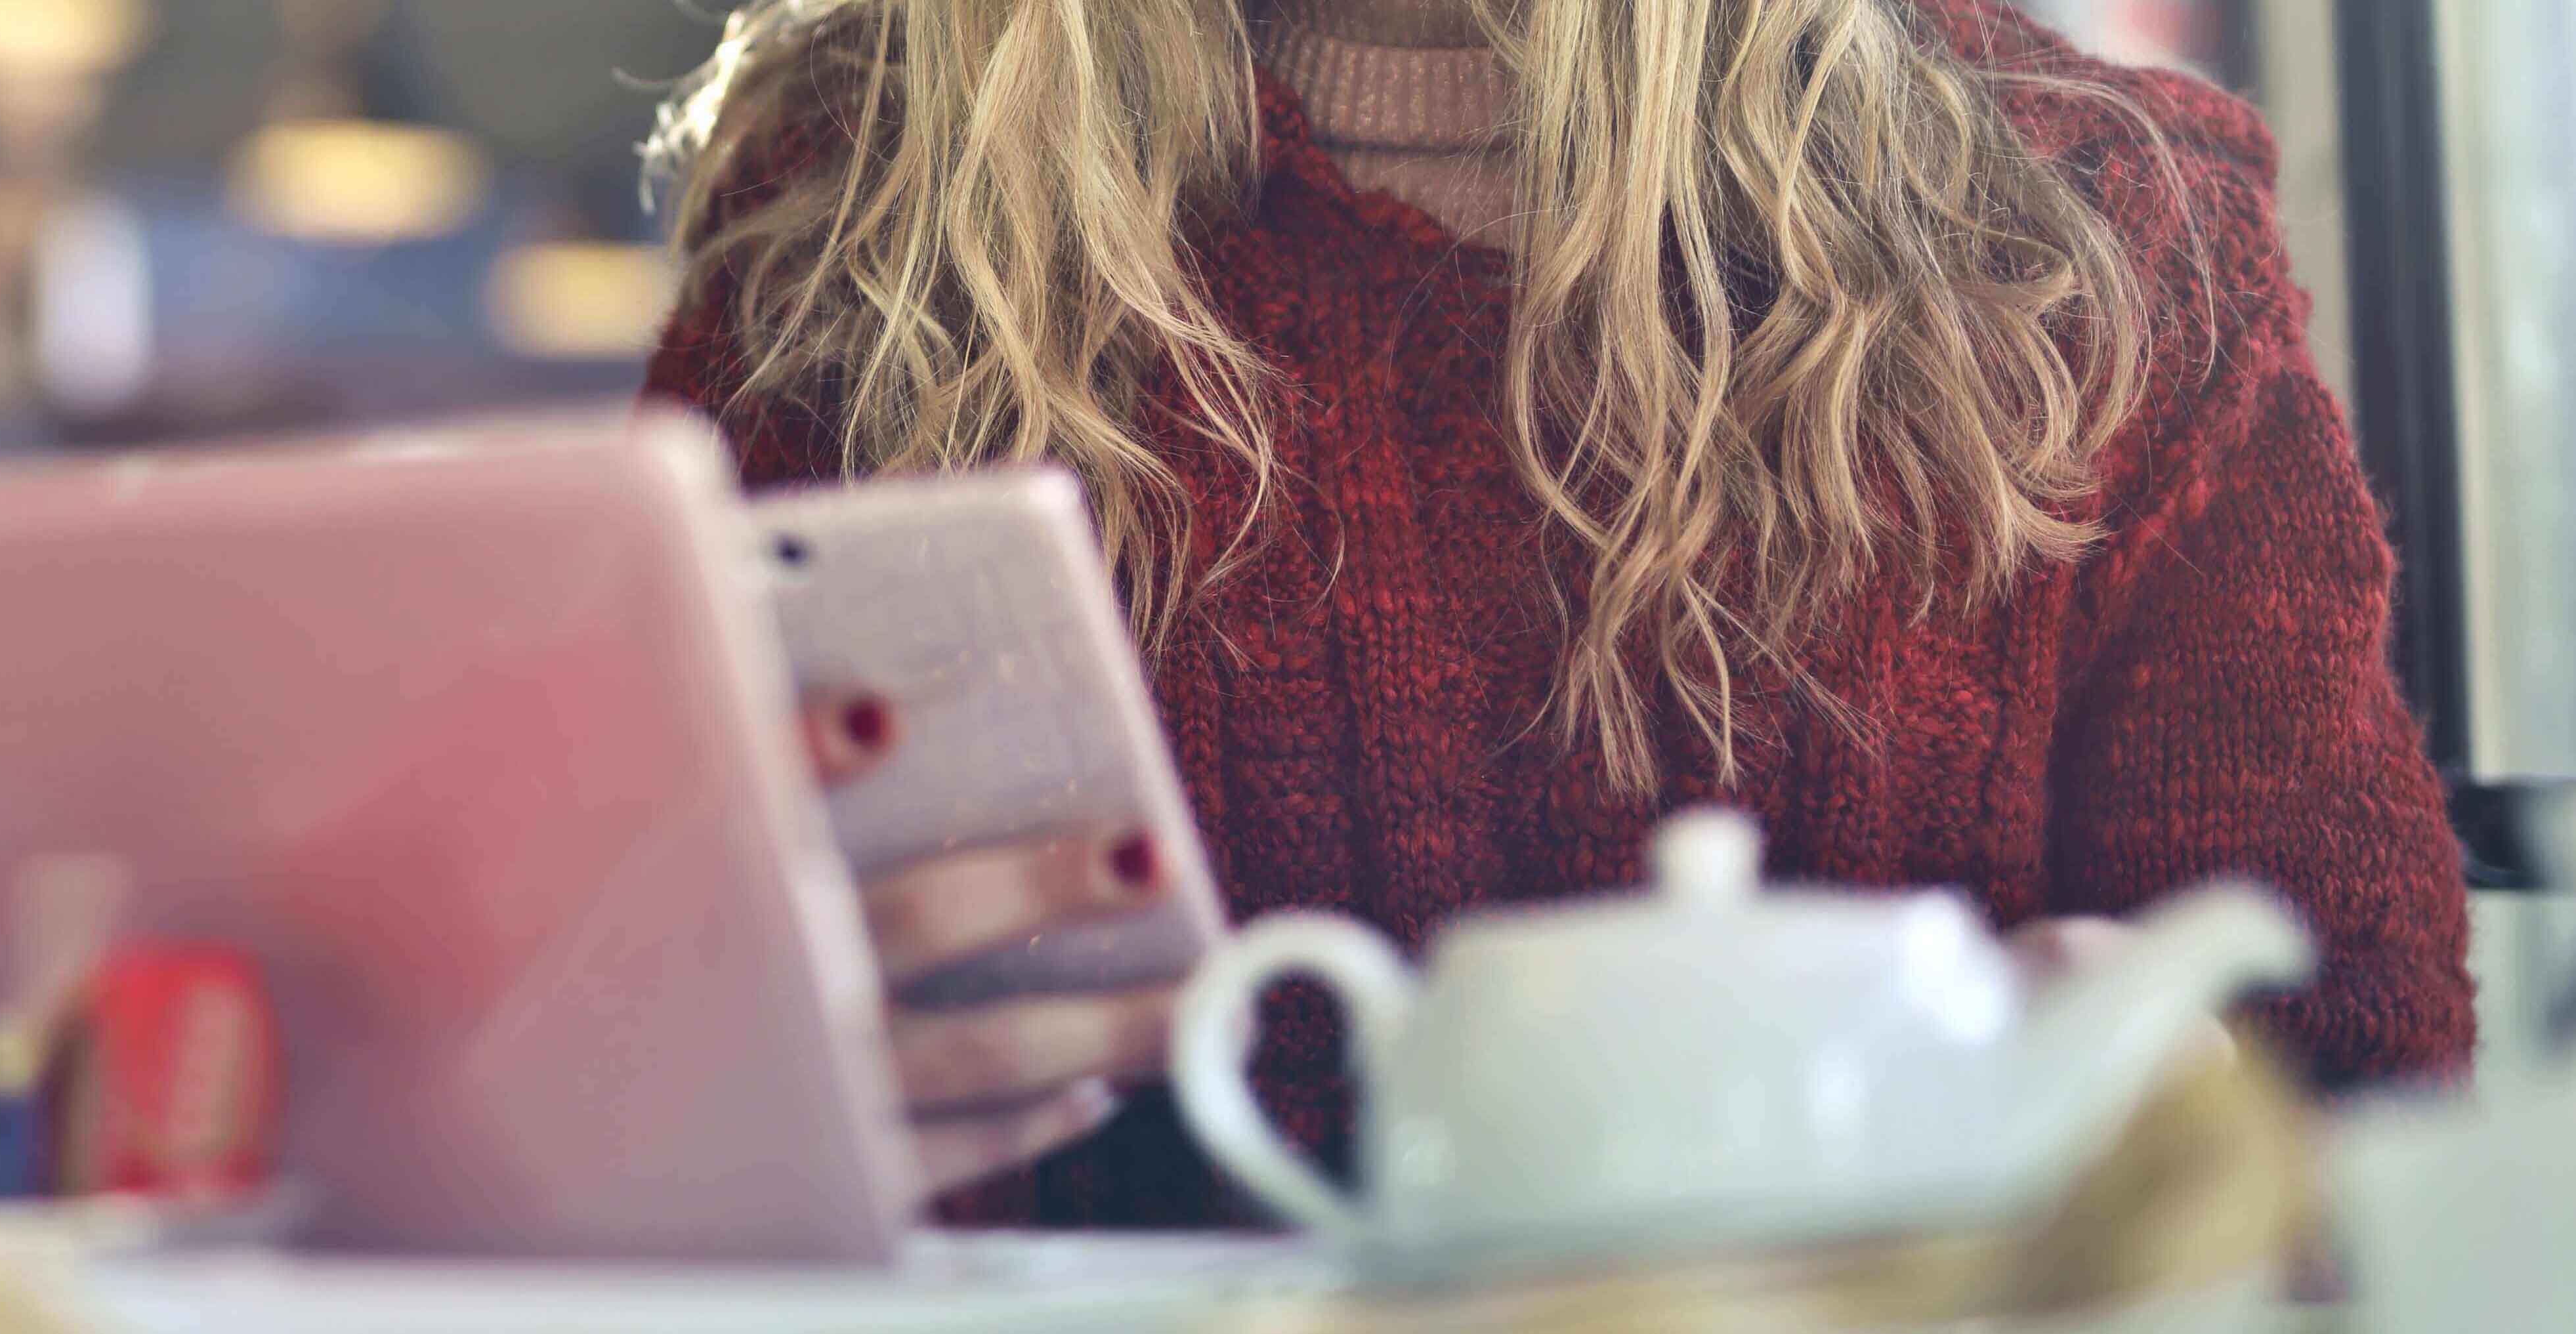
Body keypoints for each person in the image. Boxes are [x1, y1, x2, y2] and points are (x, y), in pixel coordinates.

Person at [643, 0, 2474, 1227]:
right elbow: (598, 1069)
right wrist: (731, 1085)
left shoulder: (2088, 224)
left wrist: (2168, 1093)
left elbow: (2370, 1103)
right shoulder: (861, 207)